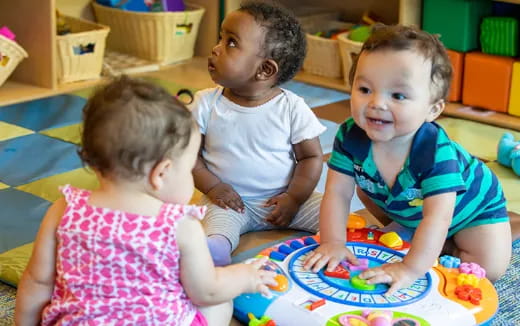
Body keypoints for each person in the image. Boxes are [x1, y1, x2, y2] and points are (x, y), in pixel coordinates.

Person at [14, 76, 276, 326]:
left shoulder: (65, 210)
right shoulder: (180, 225)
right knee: (219, 303)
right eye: (187, 170)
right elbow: (206, 291)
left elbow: (37, 282)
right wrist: (245, 277)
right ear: (160, 173)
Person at [304, 24, 515, 295]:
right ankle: (415, 230)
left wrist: (410, 268)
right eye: (365, 89)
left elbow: (438, 217)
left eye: (398, 95)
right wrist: (333, 242)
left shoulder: (436, 153)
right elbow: (336, 193)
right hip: (410, 204)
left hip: (471, 211)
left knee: (488, 271)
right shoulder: (350, 135)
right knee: (361, 185)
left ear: (433, 109)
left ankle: (449, 238)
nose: (377, 103)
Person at [191, 1, 326, 266]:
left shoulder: (291, 107)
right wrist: (213, 187)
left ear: (265, 70)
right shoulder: (205, 104)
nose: (216, 48)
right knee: (214, 228)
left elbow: (311, 158)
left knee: (333, 214)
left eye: (231, 43)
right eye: (221, 37)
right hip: (230, 202)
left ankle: (341, 240)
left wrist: (294, 198)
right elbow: (188, 157)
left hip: (287, 199)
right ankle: (216, 249)